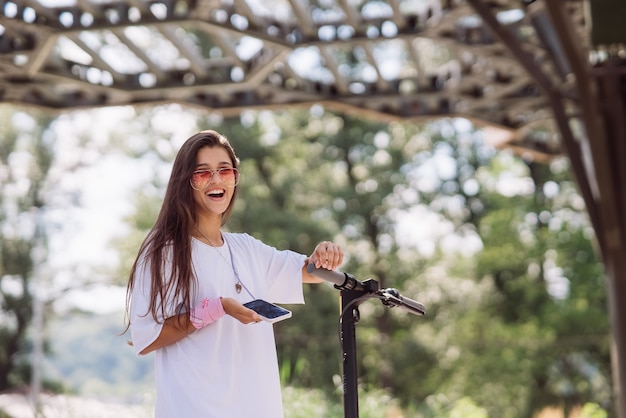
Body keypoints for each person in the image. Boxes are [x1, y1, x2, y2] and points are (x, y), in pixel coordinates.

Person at [124, 129, 344, 418]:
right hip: (196, 409)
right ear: (184, 182)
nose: (216, 180)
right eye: (203, 173)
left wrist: (323, 255)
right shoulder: (163, 251)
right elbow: (147, 338)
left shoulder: (246, 247)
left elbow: (310, 271)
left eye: (225, 171)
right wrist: (216, 309)